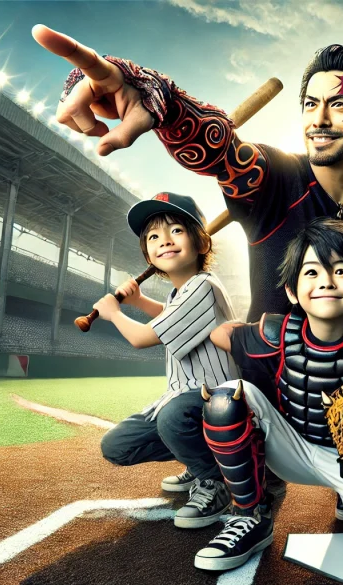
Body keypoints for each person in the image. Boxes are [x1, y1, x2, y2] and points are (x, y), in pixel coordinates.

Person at [33, 27, 343, 363]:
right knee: (190, 420)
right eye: (311, 104)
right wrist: (164, 101)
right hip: (268, 380)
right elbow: (222, 151)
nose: (318, 119)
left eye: (337, 105)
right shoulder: (273, 177)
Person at [194, 218, 343, 571]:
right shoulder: (275, 333)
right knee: (225, 399)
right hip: (293, 447)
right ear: (292, 291)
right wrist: (246, 345)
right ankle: (250, 516)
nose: (327, 280)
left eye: (340, 271)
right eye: (311, 272)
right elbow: (223, 335)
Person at [94, 192, 237, 530]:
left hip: (220, 402)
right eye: (154, 237)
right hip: (185, 400)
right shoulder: (179, 293)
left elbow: (143, 338)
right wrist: (141, 301)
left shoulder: (203, 285)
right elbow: (167, 318)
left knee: (173, 417)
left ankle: (216, 481)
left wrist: (114, 313)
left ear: (201, 243)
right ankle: (199, 457)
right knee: (117, 446)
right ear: (148, 255)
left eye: (177, 231)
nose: (165, 241)